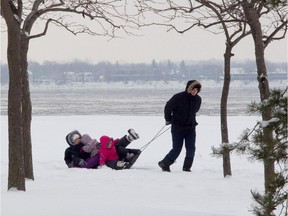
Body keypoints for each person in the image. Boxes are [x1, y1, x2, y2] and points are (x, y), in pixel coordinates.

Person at [158, 80, 202, 172]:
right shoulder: (178, 97)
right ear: (189, 88)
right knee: (177, 149)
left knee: (191, 149)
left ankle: (187, 168)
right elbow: (168, 108)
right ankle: (164, 163)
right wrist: (168, 119)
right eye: (193, 89)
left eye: (197, 90)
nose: (195, 91)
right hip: (178, 128)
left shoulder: (198, 99)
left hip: (190, 128)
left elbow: (195, 110)